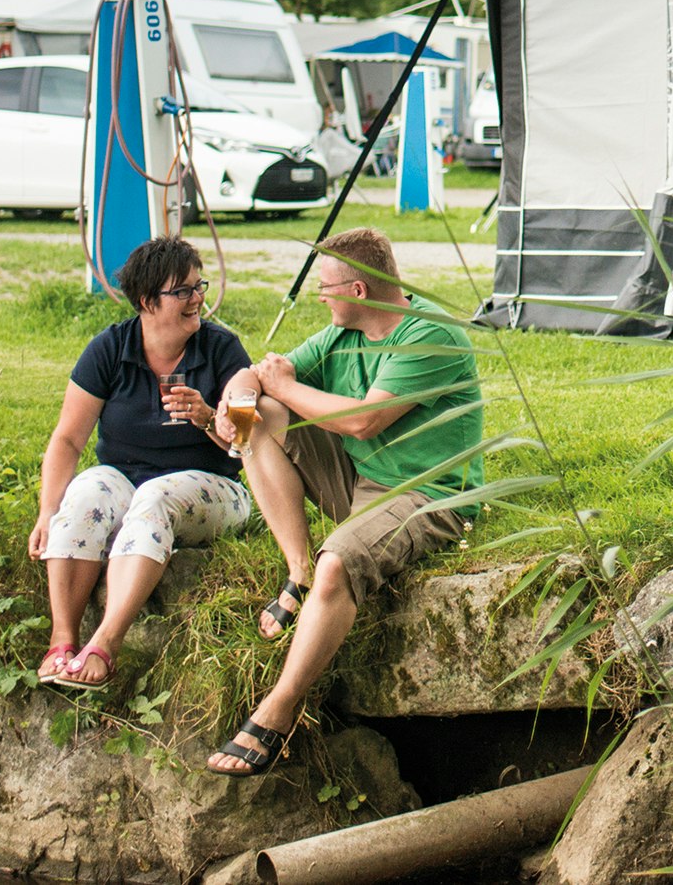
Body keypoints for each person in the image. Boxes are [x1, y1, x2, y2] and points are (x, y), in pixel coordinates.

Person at [204, 227, 483, 776]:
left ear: (357, 291)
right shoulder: (342, 336)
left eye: (324, 288)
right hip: (361, 484)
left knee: (340, 565)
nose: (321, 298)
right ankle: (296, 569)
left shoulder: (432, 336)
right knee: (256, 421)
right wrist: (236, 403)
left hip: (427, 497)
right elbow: (260, 374)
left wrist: (278, 386)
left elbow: (361, 421)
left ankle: (277, 712)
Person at [30, 238, 254, 690]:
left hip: (216, 487)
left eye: (199, 286)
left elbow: (247, 442)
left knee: (153, 498)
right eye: (184, 291)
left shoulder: (224, 351)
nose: (198, 299)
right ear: (148, 302)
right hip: (124, 478)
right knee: (87, 491)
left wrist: (208, 417)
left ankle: (106, 644)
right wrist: (45, 512)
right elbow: (69, 439)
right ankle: (62, 641)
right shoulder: (111, 348)